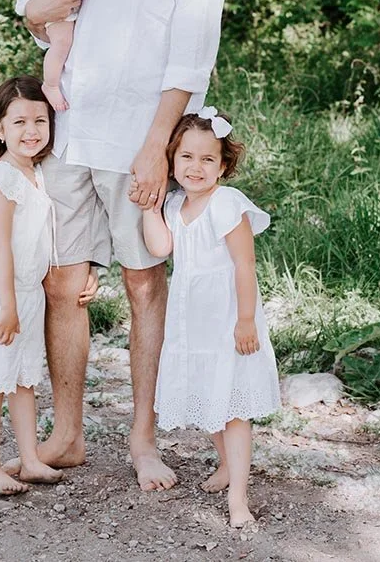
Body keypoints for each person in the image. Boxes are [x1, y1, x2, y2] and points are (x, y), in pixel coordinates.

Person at [13, 0, 227, 492]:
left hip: (140, 132)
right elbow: (52, 12)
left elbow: (194, 37)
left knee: (142, 283)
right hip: (72, 130)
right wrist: (32, 14)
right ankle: (68, 434)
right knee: (62, 282)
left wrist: (158, 145)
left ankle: (141, 439)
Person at [0, 75, 94, 495]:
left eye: (40, 121)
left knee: (23, 381)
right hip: (3, 294)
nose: (31, 131)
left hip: (29, 294)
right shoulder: (2, 179)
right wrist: (8, 305)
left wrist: (89, 270)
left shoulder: (35, 175)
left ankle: (30, 459)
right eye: (19, 123)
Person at [142, 108, 281, 526]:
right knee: (207, 396)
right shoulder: (175, 205)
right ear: (172, 161)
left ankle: (238, 498)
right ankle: (225, 464)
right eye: (186, 157)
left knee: (232, 408)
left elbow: (244, 264)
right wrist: (149, 207)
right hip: (191, 323)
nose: (196, 167)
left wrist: (245, 320)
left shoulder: (226, 203)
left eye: (207, 159)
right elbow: (159, 248)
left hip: (226, 320)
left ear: (222, 166)